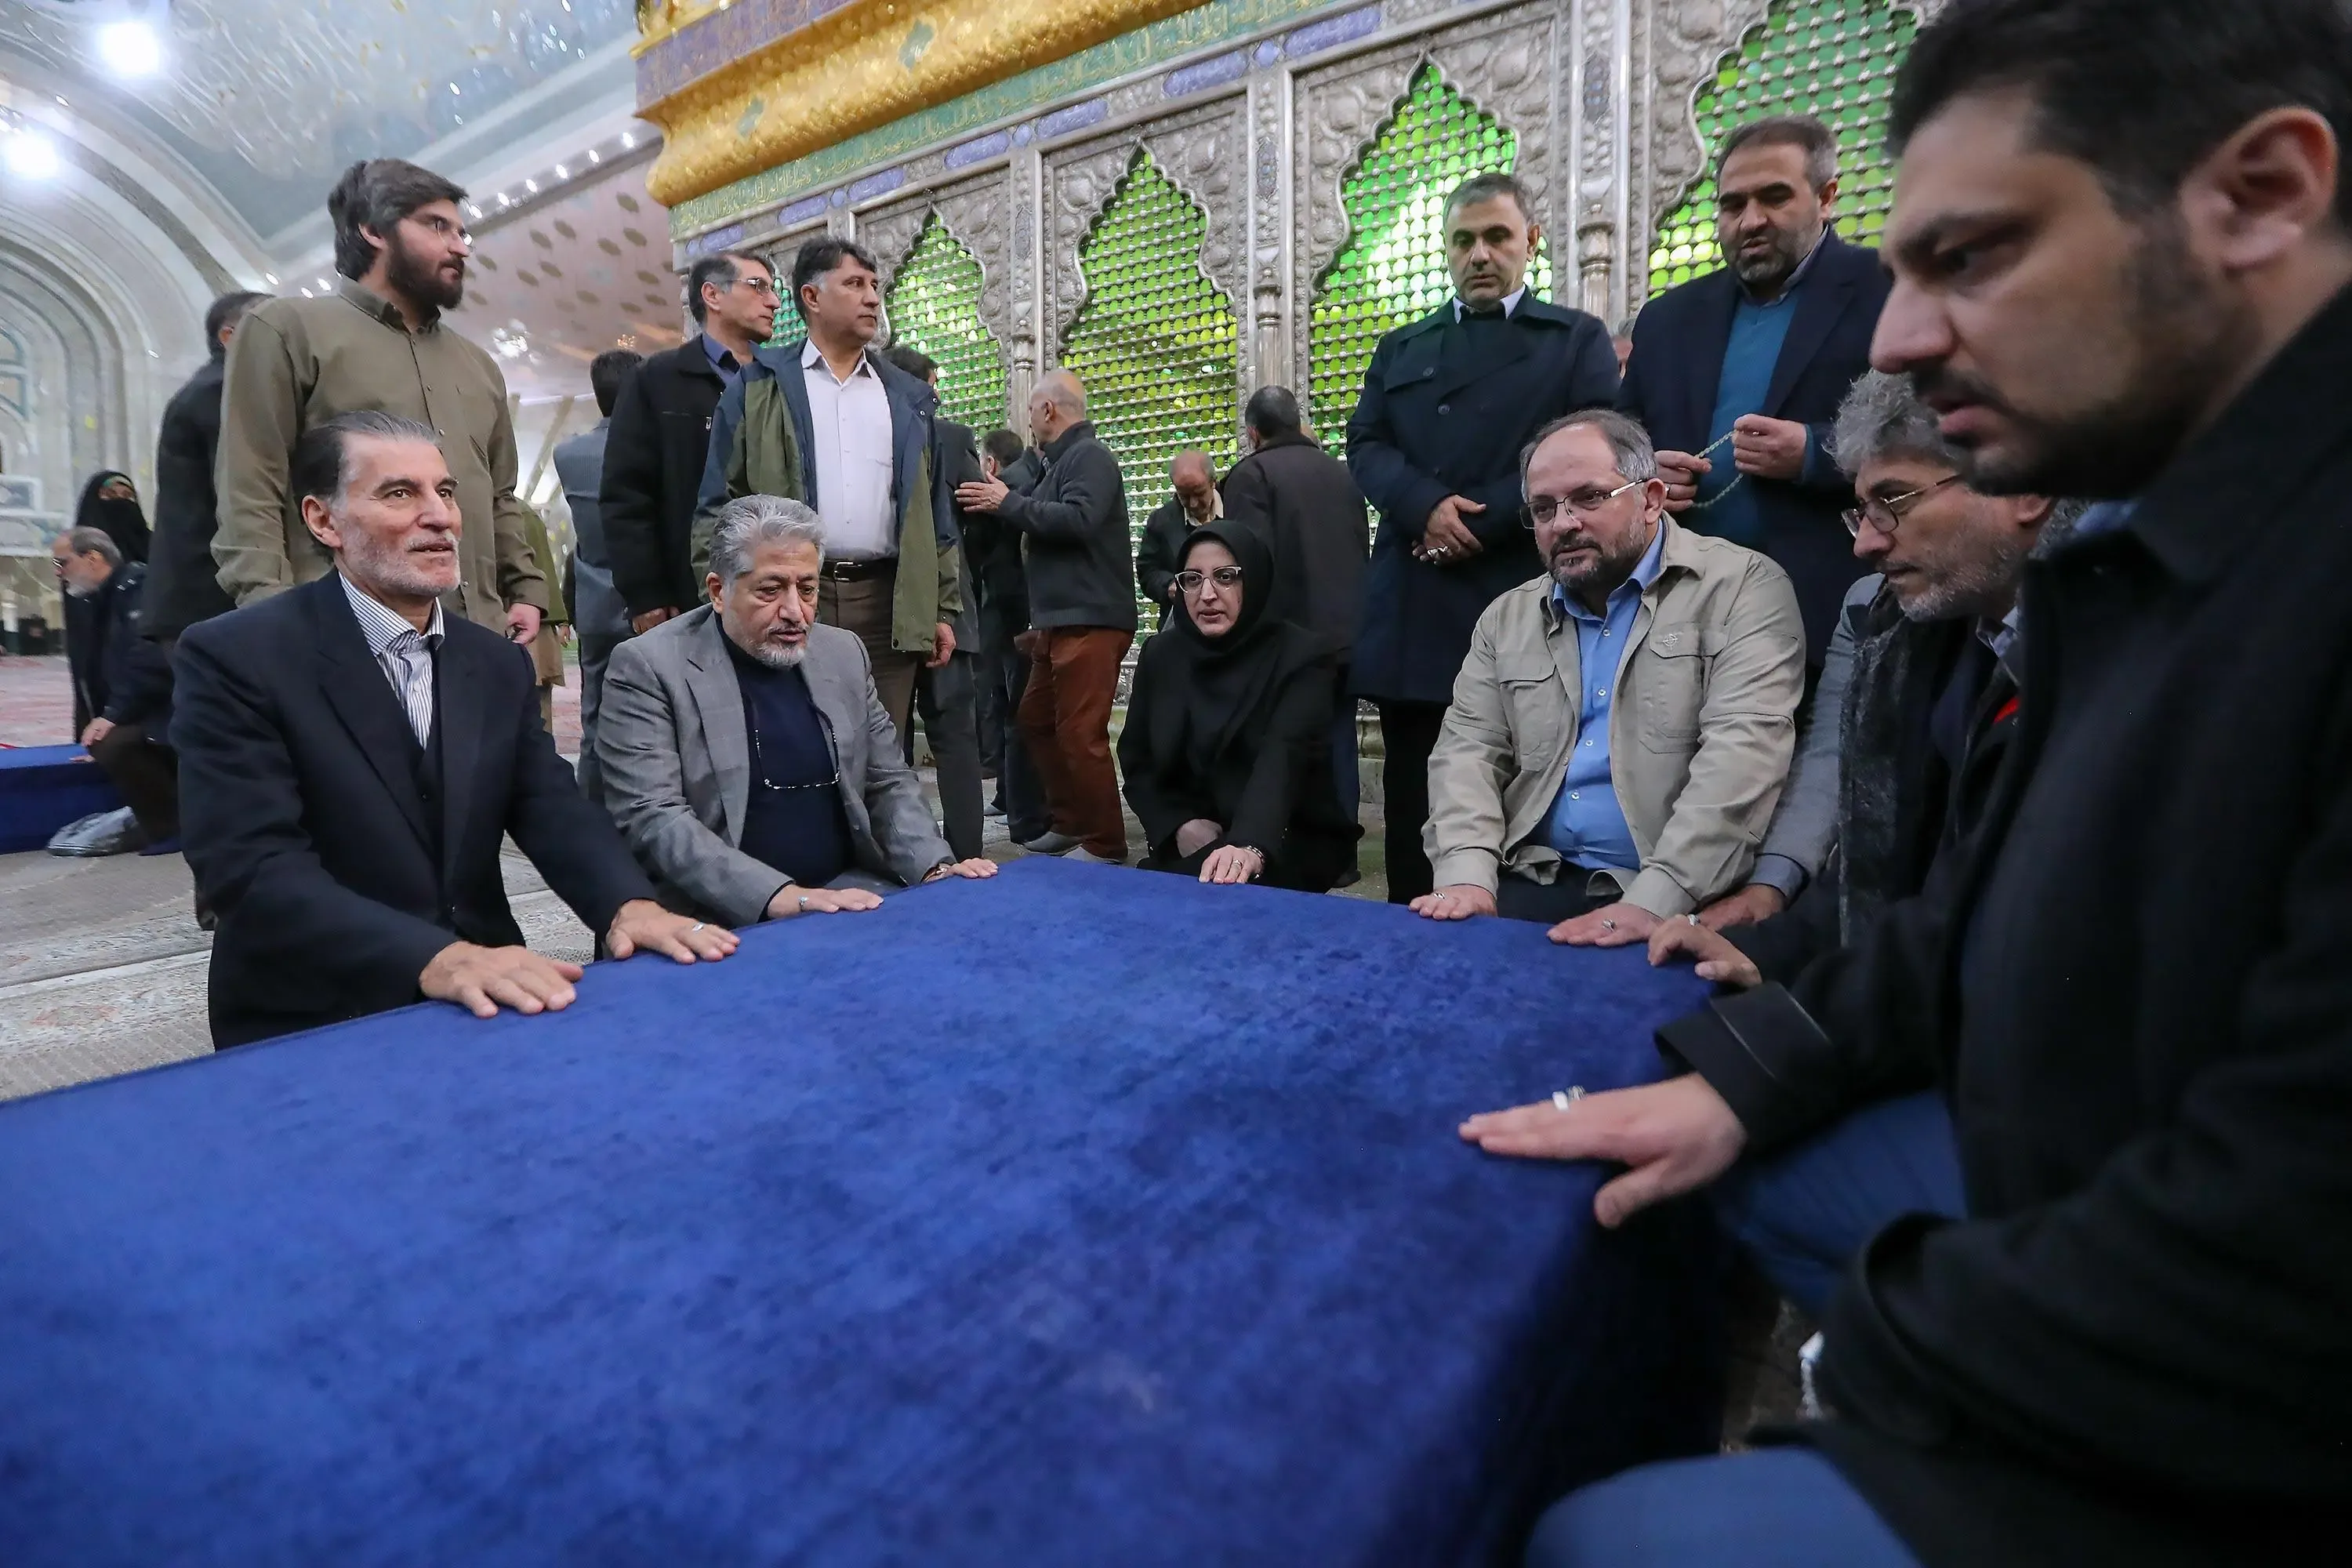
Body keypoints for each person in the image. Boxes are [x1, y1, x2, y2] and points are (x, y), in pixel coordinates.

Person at [1486, 3, 2352, 1562]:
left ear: (2265, 194)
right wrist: (1740, 1076)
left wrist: (1880, 1367)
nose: (1895, 339)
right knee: (1704, 1159)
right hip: (2079, 1210)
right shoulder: (2134, 560)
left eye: (1976, 256)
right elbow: (1964, 922)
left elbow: (2283, 1253)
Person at [173, 412, 732, 1049]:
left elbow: (548, 804)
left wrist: (626, 905)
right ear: (324, 521)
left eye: (444, 492)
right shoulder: (238, 657)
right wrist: (435, 958)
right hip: (316, 1014)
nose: (440, 516)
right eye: (399, 493)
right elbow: (251, 868)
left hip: (481, 996)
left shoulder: (492, 662)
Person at [1684, 371, 2064, 965]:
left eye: (1894, 501)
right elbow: (1876, 869)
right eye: (1862, 510)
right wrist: (1771, 955)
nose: (1865, 544)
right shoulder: (1910, 633)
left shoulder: (2113, 672)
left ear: (2024, 485)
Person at [1411, 410, 1802, 935]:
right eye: (1544, 508)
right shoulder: (1507, 618)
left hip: (1679, 894)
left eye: (1590, 497)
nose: (1564, 524)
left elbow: (1743, 757)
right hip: (1530, 877)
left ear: (1652, 498)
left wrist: (1655, 901)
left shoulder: (1741, 588)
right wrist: (1466, 878)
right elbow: (1468, 753)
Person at [1346, 171, 1621, 904]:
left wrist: (1478, 519)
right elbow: (1366, 443)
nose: (1480, 255)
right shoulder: (1402, 348)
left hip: (1524, 595)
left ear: (1531, 241)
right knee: (1417, 799)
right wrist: (1424, 506)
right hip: (1418, 603)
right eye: (1463, 240)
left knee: (1527, 792)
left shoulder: (1573, 341)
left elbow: (1594, 447)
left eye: (1497, 237)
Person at [597, 495, 996, 926]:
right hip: (715, 915)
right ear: (718, 591)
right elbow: (655, 817)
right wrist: (780, 897)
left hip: (846, 891)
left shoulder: (843, 653)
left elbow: (888, 782)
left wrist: (933, 869)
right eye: (770, 590)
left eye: (807, 589)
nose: (794, 612)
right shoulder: (649, 666)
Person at [212, 158, 546, 642]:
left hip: (476, 634)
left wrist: (524, 588)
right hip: (343, 633)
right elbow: (251, 483)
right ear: (372, 230)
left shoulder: (477, 364)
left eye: (462, 233)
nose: (460, 247)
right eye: (437, 226)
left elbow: (499, 494)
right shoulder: (288, 331)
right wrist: (269, 608)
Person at [1619, 114, 1893, 668]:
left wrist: (1814, 452)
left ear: (1826, 198)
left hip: (1835, 615)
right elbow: (1620, 441)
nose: (1751, 221)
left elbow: (1941, 433)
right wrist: (1645, 474)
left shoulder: (1886, 289)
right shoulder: (1668, 319)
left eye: (1774, 197)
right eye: (1733, 204)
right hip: (1680, 621)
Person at [695, 238, 961, 742]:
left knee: (879, 751)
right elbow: (716, 507)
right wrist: (721, 603)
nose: (873, 298)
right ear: (812, 297)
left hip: (887, 604)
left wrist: (942, 608)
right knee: (789, 742)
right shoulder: (758, 386)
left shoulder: (906, 397)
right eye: (855, 284)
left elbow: (934, 511)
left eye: (875, 286)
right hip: (783, 599)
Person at [954, 370, 1134, 864]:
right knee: (1036, 721)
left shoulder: (1090, 457)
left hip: (1091, 619)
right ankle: (1070, 822)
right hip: (1057, 624)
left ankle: (1106, 843)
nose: (1029, 421)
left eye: (1032, 411)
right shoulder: (1056, 463)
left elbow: (1080, 519)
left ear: (1049, 410)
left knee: (1080, 734)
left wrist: (1007, 502)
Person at [1119, 524, 1358, 892]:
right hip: (1194, 838)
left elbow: (1284, 757)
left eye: (1225, 577)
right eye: (1193, 579)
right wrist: (1177, 825)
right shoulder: (1162, 655)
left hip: (1282, 835)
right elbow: (1138, 759)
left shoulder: (1302, 657)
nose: (1207, 594)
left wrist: (1249, 844)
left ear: (1254, 581)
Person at [1219, 384, 1371, 836]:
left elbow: (1250, 563)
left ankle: (1280, 844)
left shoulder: (1252, 475)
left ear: (1252, 433)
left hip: (1285, 640)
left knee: (1281, 746)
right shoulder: (1343, 476)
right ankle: (1342, 846)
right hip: (1347, 636)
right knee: (1339, 741)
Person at [601, 252, 776, 635]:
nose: (774, 301)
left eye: (773, 289)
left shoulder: (781, 378)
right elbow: (626, 495)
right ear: (712, 295)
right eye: (758, 287)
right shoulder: (656, 380)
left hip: (778, 584)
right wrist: (645, 593)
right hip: (688, 593)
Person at [883, 344, 987, 861]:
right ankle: (967, 854)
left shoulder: (867, 436)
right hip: (948, 604)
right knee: (955, 739)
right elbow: (982, 515)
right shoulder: (951, 437)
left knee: (888, 742)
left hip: (884, 608)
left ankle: (902, 852)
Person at [145, 290, 270, 644]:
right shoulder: (222, 391)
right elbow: (244, 491)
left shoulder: (215, 387)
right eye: (275, 328)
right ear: (229, 336)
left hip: (202, 595)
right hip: (211, 596)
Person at [51, 528, 177, 849]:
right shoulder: (105, 597)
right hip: (148, 706)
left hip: (171, 706)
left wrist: (113, 716)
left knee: (114, 744)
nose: (58, 573)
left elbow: (150, 658)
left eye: (62, 562)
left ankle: (172, 829)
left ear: (93, 558)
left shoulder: (138, 589)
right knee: (104, 741)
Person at [555, 347, 642, 804]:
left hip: (593, 602)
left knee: (595, 717)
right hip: (649, 601)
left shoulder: (567, 453)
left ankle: (589, 813)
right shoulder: (651, 450)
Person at [967, 426, 1048, 842]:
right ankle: (1017, 806)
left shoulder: (1006, 487)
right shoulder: (1030, 481)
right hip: (1017, 610)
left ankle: (1014, 803)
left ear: (990, 463)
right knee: (1017, 706)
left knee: (1008, 705)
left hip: (1002, 608)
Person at [1134, 449, 1221, 627]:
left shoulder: (1238, 507)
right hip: (1183, 625)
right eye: (1184, 496)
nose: (1193, 504)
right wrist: (1168, 586)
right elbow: (1147, 570)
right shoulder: (1161, 521)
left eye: (1199, 493)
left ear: (1213, 483)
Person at [73, 471, 149, 564]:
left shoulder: (157, 544)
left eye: (127, 495)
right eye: (110, 494)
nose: (120, 499)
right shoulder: (75, 547)